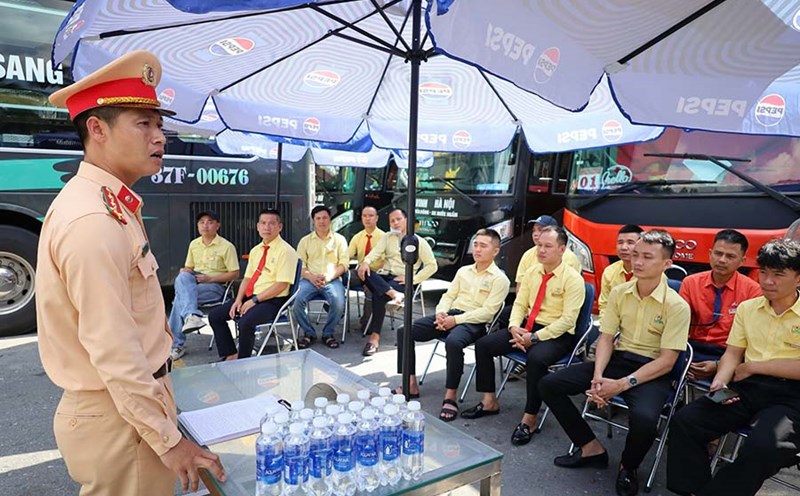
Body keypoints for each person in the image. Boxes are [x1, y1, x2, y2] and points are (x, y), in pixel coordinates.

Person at [36, 51, 225, 495]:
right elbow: (114, 350)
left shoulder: (110, 206)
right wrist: (167, 440)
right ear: (97, 129)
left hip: (129, 410)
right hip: (121, 422)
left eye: (159, 125)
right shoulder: (93, 220)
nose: (160, 137)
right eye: (143, 124)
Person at [538, 230, 689, 496]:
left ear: (667, 263)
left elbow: (667, 361)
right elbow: (607, 338)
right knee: (549, 384)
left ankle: (628, 466)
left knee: (645, 420)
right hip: (618, 360)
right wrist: (598, 377)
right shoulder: (620, 292)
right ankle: (590, 447)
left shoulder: (677, 305)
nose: (637, 261)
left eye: (647, 257)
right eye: (636, 255)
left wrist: (619, 385)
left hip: (652, 370)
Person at [667, 239, 800, 496]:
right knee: (686, 421)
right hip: (747, 386)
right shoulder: (749, 309)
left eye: (778, 275)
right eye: (764, 272)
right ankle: (693, 490)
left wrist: (754, 367)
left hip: (792, 396)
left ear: (798, 278)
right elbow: (732, 353)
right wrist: (721, 381)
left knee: (763, 447)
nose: (768, 281)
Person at [461, 226, 585, 447]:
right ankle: (489, 401)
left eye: (548, 246)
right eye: (539, 245)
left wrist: (534, 338)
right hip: (528, 326)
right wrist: (514, 327)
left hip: (557, 333)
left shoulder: (573, 279)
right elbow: (519, 304)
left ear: (562, 249)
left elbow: (567, 321)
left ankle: (530, 418)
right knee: (484, 344)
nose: (541, 250)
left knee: (536, 359)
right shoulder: (533, 271)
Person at [394, 229, 510, 421]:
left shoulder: (500, 279)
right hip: (451, 315)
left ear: (495, 251)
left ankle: (450, 396)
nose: (477, 249)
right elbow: (449, 296)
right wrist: (441, 313)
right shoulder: (463, 271)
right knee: (405, 330)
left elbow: (488, 312)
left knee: (454, 342)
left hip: (474, 322)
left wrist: (454, 321)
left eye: (483, 246)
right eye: (476, 244)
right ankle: (410, 383)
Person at [208, 209, 297, 361]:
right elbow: (247, 278)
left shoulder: (286, 251)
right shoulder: (256, 250)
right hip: (252, 296)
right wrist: (238, 300)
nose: (267, 227)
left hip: (273, 300)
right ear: (257, 226)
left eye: (272, 223)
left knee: (246, 322)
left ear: (280, 227)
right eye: (263, 223)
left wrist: (253, 301)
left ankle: (244, 362)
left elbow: (281, 285)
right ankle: (230, 355)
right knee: (215, 316)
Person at [678, 229, 761, 381]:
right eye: (718, 253)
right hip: (691, 347)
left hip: (728, 353)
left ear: (742, 261)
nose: (722, 260)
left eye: (730, 256)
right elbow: (677, 326)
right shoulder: (690, 283)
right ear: (710, 254)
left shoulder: (753, 290)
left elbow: (751, 341)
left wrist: (718, 365)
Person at [357, 208, 437, 356]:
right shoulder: (388, 237)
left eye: (398, 219)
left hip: (402, 281)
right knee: (364, 272)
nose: (395, 223)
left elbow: (432, 265)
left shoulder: (418, 241)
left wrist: (412, 279)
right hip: (385, 277)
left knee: (379, 295)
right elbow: (375, 253)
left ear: (406, 220)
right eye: (392, 221)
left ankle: (374, 338)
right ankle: (394, 294)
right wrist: (366, 262)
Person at [168, 210, 239, 360]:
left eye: (210, 222)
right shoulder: (194, 244)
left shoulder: (226, 246)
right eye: (202, 222)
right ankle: (191, 316)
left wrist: (210, 279)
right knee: (182, 276)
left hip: (216, 286)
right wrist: (186, 271)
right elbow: (189, 267)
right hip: (195, 283)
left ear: (217, 225)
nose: (205, 225)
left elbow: (235, 273)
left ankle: (176, 345)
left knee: (180, 299)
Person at [293, 205, 348, 349]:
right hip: (309, 280)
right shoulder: (305, 241)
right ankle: (309, 333)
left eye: (325, 218)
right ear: (313, 221)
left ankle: (328, 334)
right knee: (296, 301)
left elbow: (344, 265)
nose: (322, 221)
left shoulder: (340, 240)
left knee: (338, 301)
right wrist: (311, 277)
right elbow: (300, 266)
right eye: (318, 218)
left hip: (332, 280)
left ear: (330, 220)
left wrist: (329, 277)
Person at [348, 206, 385, 332]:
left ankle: (367, 324)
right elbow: (347, 256)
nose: (367, 219)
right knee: (341, 277)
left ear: (377, 218)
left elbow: (387, 261)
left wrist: (371, 278)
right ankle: (337, 308)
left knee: (372, 290)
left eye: (371, 216)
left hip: (377, 274)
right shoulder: (357, 237)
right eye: (364, 216)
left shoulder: (384, 237)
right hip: (360, 273)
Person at [598, 225, 643, 320]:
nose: (623, 247)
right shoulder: (610, 271)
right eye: (620, 242)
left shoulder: (654, 274)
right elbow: (605, 305)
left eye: (630, 242)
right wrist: (605, 325)